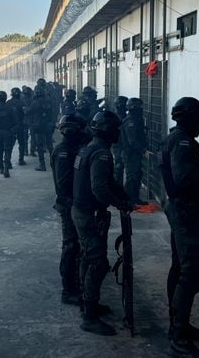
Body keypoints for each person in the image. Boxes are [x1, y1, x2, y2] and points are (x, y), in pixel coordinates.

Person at [158, 97, 199, 357]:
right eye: (198, 117)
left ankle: (179, 325)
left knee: (180, 265)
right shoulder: (182, 141)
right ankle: (178, 334)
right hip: (185, 210)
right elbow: (184, 179)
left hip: (182, 209)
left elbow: (183, 173)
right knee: (190, 271)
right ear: (190, 117)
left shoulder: (179, 138)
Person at [72, 111, 131, 336]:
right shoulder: (102, 153)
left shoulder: (88, 148)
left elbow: (108, 181)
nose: (118, 133)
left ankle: (88, 304)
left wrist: (121, 193)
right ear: (108, 130)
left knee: (88, 258)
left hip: (81, 211)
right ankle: (89, 316)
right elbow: (99, 188)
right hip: (87, 214)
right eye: (115, 129)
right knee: (97, 262)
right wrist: (119, 203)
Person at [50, 115, 87, 307]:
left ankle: (75, 284)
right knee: (70, 246)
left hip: (72, 203)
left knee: (76, 246)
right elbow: (64, 183)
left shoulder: (72, 149)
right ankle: (68, 290)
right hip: (68, 204)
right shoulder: (64, 152)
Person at [121, 97, 148, 206]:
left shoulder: (135, 119)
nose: (142, 109)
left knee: (136, 176)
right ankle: (130, 201)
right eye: (140, 107)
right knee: (132, 177)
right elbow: (132, 141)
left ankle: (135, 199)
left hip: (133, 153)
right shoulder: (130, 121)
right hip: (130, 154)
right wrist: (143, 150)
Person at [24, 84, 52, 171]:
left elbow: (27, 112)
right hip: (48, 124)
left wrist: (24, 108)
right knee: (49, 144)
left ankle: (42, 164)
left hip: (38, 125)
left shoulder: (36, 102)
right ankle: (53, 161)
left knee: (40, 145)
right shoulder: (48, 101)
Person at [0, 91, 17, 178]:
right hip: (8, 132)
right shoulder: (10, 109)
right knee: (7, 150)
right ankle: (6, 169)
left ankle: (1, 169)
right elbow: (15, 121)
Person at [7, 87, 27, 166]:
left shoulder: (8, 102)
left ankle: (8, 161)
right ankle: (21, 159)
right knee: (21, 143)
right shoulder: (22, 102)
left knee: (10, 145)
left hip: (11, 127)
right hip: (20, 126)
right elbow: (26, 113)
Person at [111, 96, 128, 185]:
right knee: (118, 167)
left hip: (121, 145)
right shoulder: (117, 117)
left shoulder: (122, 116)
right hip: (119, 145)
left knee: (120, 167)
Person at [21, 86, 35, 157]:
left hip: (24, 121)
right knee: (33, 137)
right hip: (32, 120)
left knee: (24, 137)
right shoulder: (33, 101)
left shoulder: (21, 101)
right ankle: (32, 151)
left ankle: (25, 151)